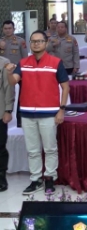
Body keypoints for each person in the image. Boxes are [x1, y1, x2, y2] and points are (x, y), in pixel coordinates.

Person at [5, 30, 69, 195]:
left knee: (50, 149)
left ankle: (50, 178)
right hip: (27, 113)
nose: (36, 44)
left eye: (39, 41)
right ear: (30, 44)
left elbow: (65, 87)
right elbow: (13, 82)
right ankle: (36, 180)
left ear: (46, 43)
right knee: (32, 150)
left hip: (49, 113)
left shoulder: (56, 62)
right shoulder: (23, 62)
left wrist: (62, 110)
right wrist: (9, 73)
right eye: (33, 41)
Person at [0, 55, 14, 192]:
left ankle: (1, 177)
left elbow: (8, 87)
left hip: (0, 111)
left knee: (0, 146)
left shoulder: (4, 63)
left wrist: (8, 110)